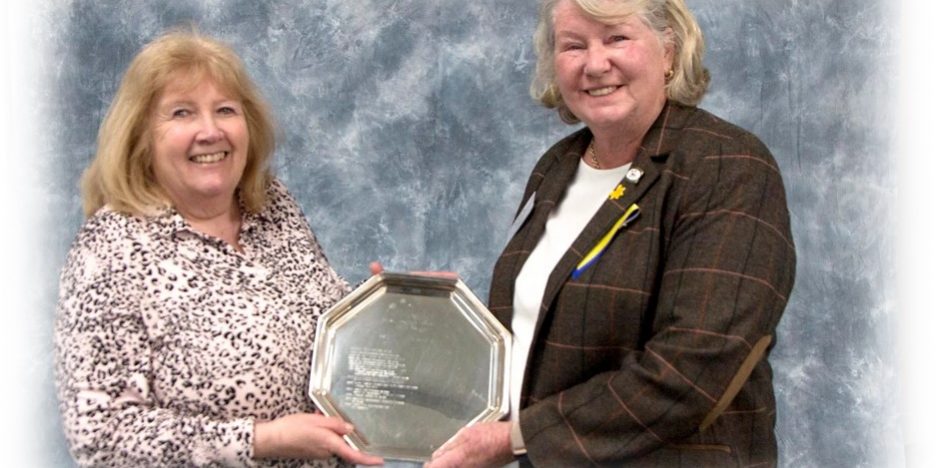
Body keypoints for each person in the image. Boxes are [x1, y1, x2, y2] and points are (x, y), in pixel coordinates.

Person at [425, 0, 795, 466]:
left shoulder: (727, 165)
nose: (595, 64)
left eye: (617, 38)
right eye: (573, 45)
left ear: (668, 51)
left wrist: (518, 438)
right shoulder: (556, 168)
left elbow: (694, 366)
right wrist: (449, 319)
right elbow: (549, 326)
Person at [53, 30, 382, 467]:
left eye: (225, 110)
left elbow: (318, 317)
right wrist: (259, 440)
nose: (210, 131)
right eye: (182, 113)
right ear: (142, 137)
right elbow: (103, 437)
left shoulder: (272, 207)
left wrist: (387, 302)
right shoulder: (110, 248)